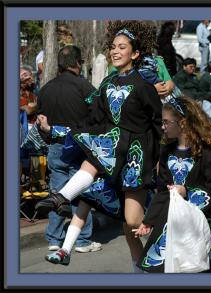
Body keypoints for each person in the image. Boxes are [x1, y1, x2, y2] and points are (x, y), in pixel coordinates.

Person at [35, 21, 162, 272]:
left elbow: (158, 126)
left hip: (134, 161)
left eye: (122, 47)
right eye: (113, 46)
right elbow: (91, 121)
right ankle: (61, 207)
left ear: (135, 54)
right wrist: (58, 131)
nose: (115, 51)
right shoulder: (105, 84)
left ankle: (147, 265)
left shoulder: (144, 87)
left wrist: (156, 162)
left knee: (132, 225)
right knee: (88, 189)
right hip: (110, 151)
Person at [133, 96, 211, 272]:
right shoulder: (165, 153)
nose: (163, 127)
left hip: (199, 224)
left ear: (183, 122)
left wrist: (187, 191)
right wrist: (148, 221)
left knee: (199, 269)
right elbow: (163, 191)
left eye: (166, 122)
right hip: (172, 221)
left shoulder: (206, 155)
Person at [35, 45, 101, 254]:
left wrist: (53, 133)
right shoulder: (85, 87)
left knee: (57, 193)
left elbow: (41, 122)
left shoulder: (45, 89)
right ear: (76, 64)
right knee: (80, 193)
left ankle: (54, 238)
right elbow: (99, 116)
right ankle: (81, 240)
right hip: (79, 148)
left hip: (55, 147)